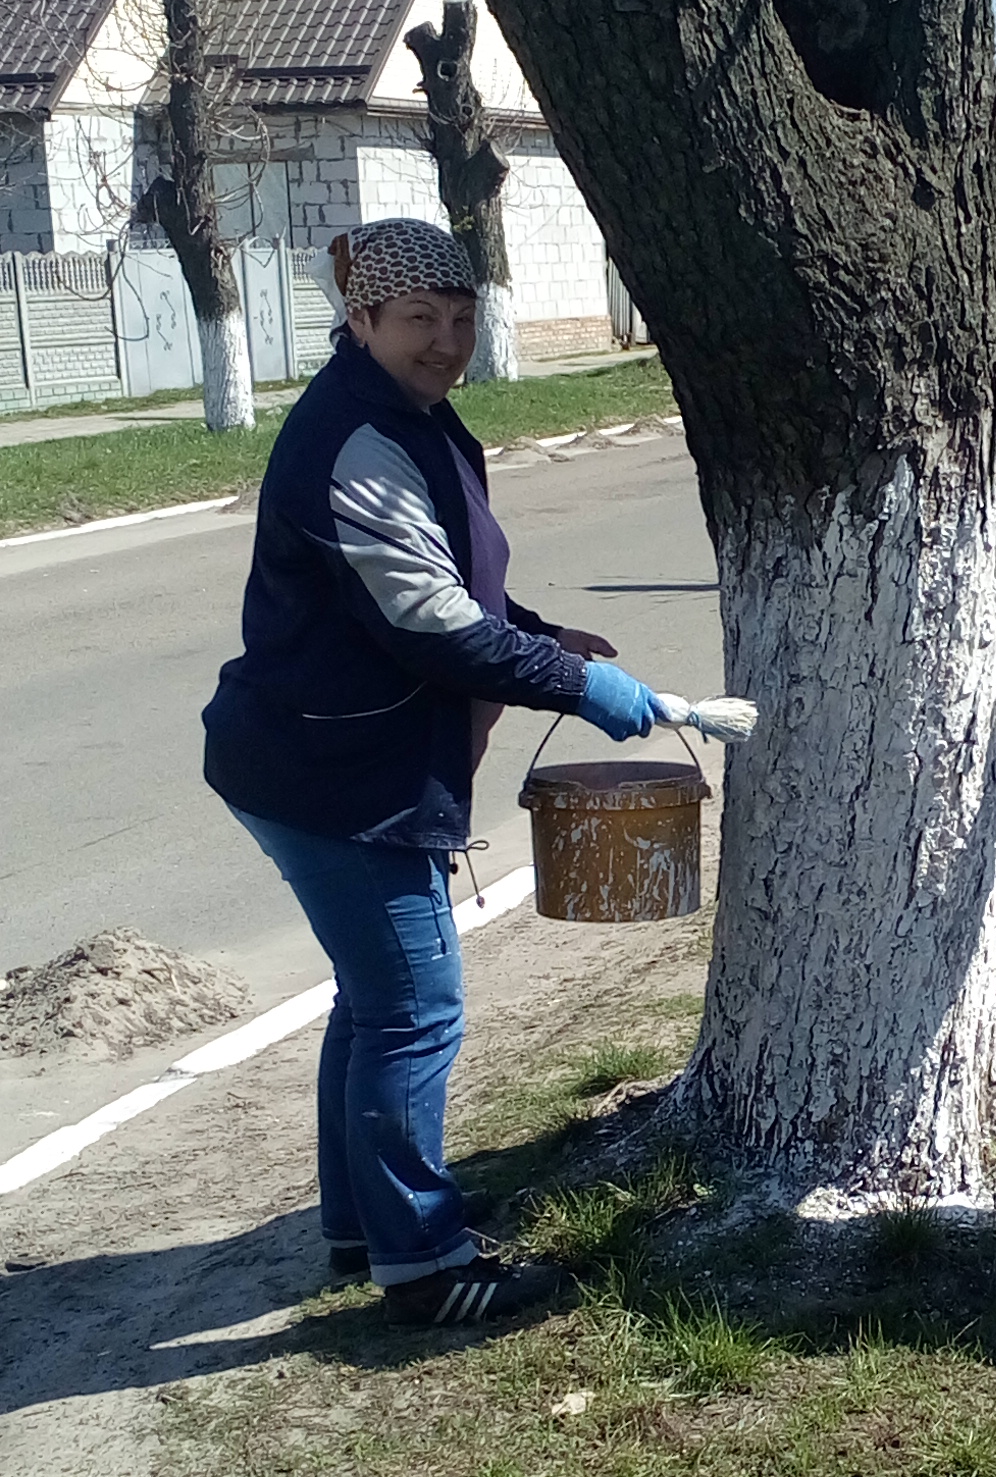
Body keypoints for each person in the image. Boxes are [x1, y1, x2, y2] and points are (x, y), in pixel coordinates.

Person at [203, 217, 675, 1328]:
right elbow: (434, 629)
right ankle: (423, 1264)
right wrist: (580, 689)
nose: (445, 341)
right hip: (335, 771)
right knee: (415, 1010)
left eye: (461, 320)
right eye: (420, 319)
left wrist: (545, 636)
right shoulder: (355, 439)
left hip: (319, 753)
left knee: (372, 1006)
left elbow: (454, 581)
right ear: (361, 319)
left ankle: (360, 1223)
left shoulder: (409, 413)